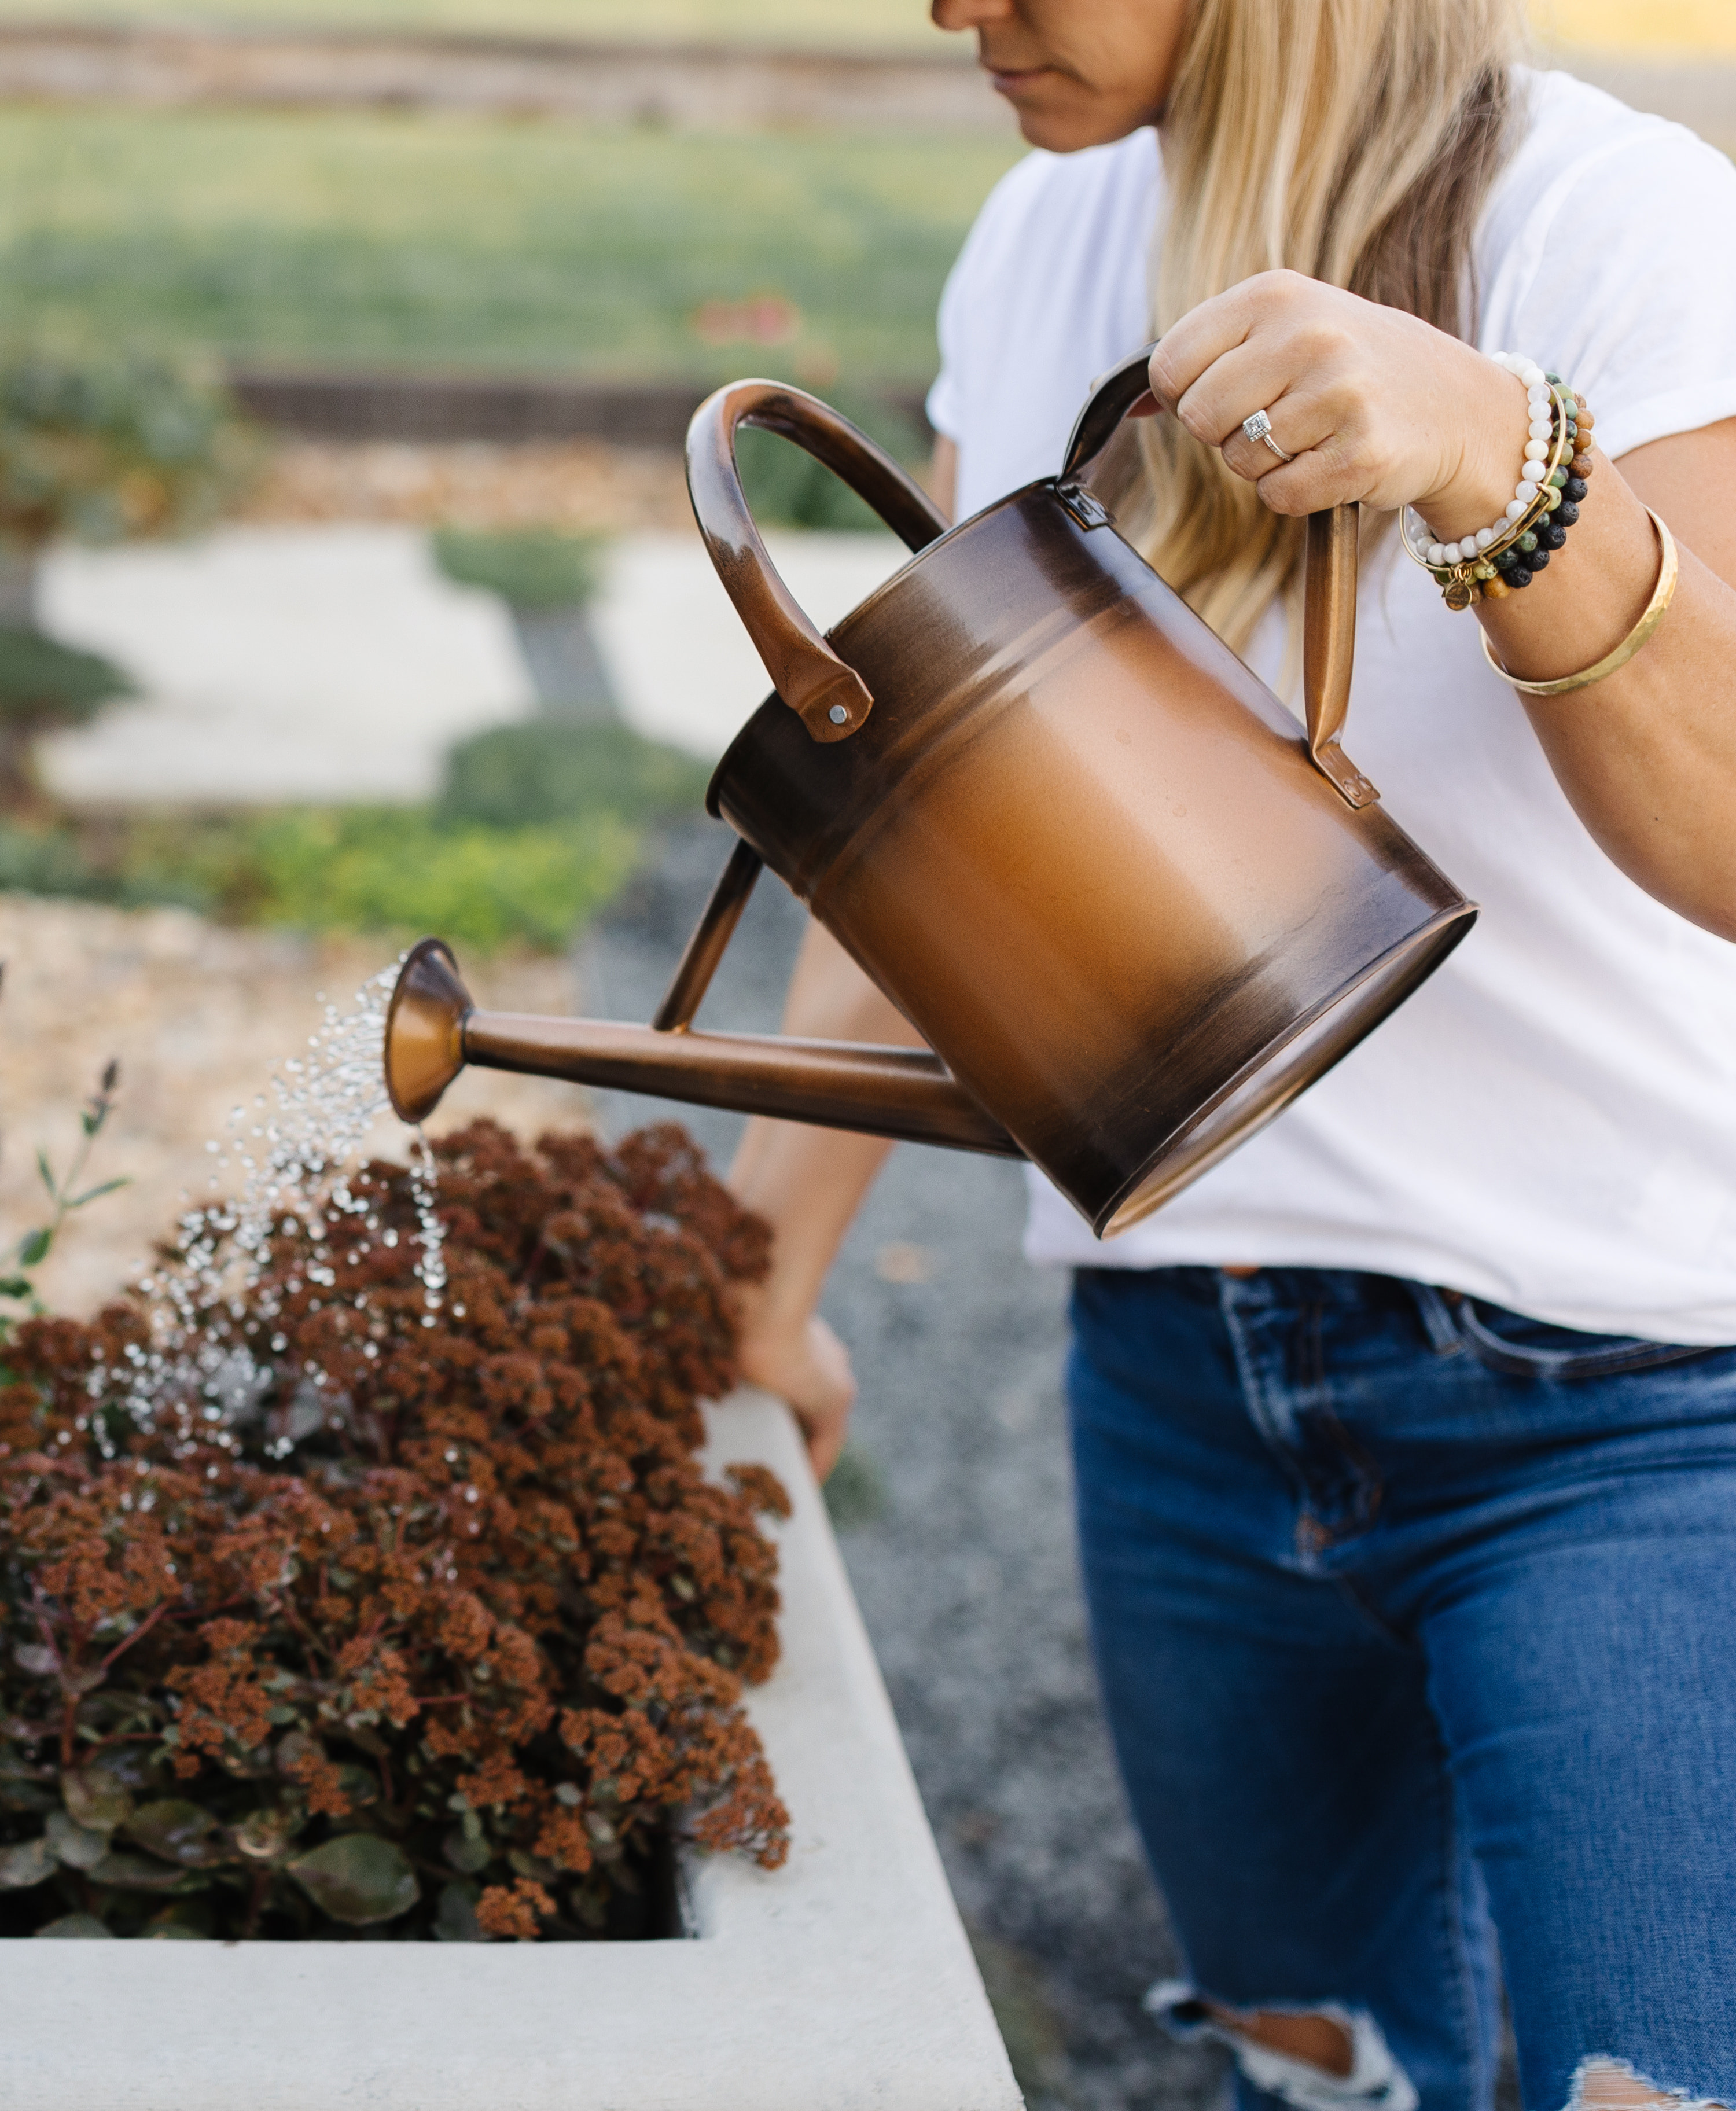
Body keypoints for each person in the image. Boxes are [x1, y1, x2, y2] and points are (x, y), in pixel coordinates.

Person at [722, 3, 1736, 2108]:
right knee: (1319, 2077)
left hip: (1626, 1412)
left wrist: (1501, 455)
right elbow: (962, 853)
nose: (950, 4)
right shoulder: (1043, 239)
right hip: (1183, 1392)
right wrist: (755, 1292)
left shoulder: (1614, 229)